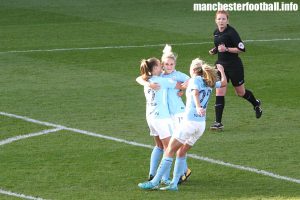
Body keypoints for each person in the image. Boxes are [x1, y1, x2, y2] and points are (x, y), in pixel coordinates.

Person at [138, 58, 227, 191]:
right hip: (200, 125)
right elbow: (224, 83)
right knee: (181, 153)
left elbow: (195, 92)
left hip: (189, 122)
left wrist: (196, 105)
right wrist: (222, 71)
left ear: (192, 70)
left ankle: (155, 181)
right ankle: (173, 184)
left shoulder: (194, 80)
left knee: (169, 150)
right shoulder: (209, 81)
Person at [136, 45, 191, 184]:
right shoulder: (162, 80)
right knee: (170, 148)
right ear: (155, 69)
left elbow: (139, 78)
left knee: (160, 146)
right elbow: (178, 84)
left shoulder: (148, 79)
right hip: (162, 117)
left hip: (151, 116)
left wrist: (182, 91)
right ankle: (166, 178)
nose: (164, 67)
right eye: (162, 65)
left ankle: (152, 174)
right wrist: (182, 88)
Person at [209, 10, 262, 131]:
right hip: (220, 66)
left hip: (234, 66)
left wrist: (226, 49)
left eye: (223, 19)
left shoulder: (232, 32)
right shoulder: (216, 32)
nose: (221, 21)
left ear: (227, 20)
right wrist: (215, 50)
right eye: (219, 19)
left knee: (240, 92)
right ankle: (218, 122)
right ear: (215, 20)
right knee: (219, 91)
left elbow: (241, 49)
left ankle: (256, 104)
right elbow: (219, 46)